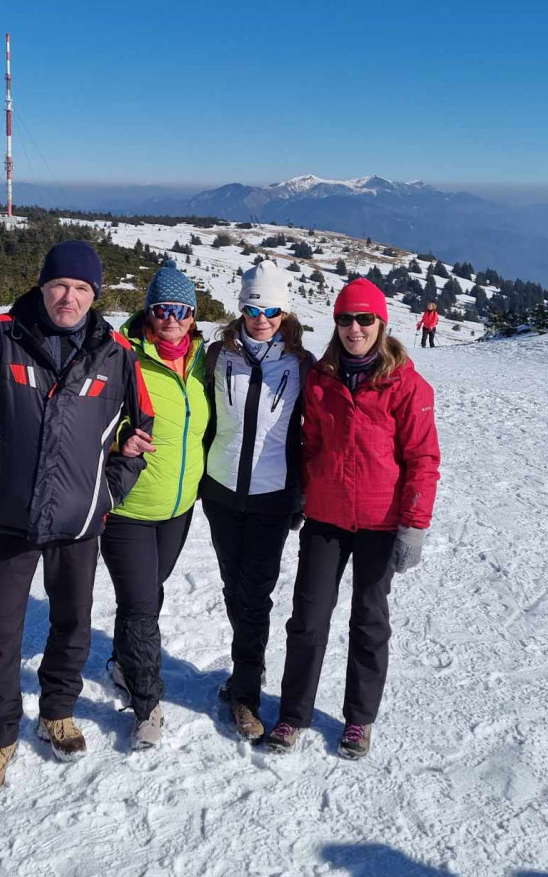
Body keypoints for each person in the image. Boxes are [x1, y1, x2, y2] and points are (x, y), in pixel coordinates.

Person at [0, 240, 154, 796]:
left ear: (95, 294)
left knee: (72, 624)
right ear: (42, 285)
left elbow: (142, 431)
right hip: (7, 518)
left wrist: (105, 494)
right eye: (60, 285)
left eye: (82, 288)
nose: (69, 297)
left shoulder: (116, 352)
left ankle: (57, 711)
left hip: (79, 524)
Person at [267, 278, 440, 759]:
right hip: (326, 517)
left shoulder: (407, 385)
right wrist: (301, 493)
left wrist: (414, 525)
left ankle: (359, 719)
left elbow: (423, 459)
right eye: (345, 319)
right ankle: (293, 714)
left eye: (365, 319)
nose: (355, 328)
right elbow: (311, 445)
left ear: (381, 323)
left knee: (369, 622)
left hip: (380, 523)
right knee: (307, 620)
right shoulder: (321, 379)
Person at [199, 262, 314, 742]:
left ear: (284, 312)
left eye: (270, 311)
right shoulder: (216, 356)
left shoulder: (301, 365)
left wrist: (302, 494)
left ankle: (245, 692)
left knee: (255, 596)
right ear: (240, 309)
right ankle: (248, 664)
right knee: (233, 587)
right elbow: (201, 417)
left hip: (273, 497)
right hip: (221, 492)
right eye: (252, 309)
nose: (261, 319)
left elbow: (312, 434)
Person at [101, 260, 208, 749]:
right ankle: (146, 704)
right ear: (148, 311)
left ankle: (124, 661)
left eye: (181, 310)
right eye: (162, 308)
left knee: (146, 594)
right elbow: (87, 417)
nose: (171, 319)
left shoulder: (204, 361)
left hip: (178, 508)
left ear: (193, 316)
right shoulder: (121, 355)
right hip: (127, 506)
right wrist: (119, 442)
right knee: (142, 605)